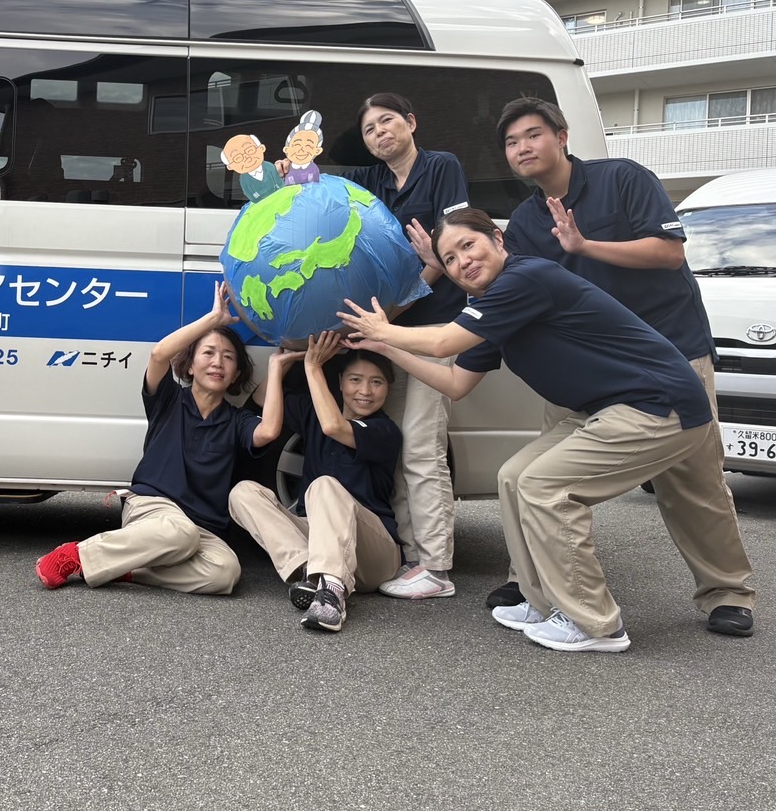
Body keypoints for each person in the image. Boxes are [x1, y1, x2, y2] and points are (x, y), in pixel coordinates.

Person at [338, 208, 756, 652]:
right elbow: (456, 383)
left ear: (498, 240)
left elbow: (444, 342)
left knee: (545, 486)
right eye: (451, 259)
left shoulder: (526, 278)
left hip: (659, 405)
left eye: (468, 245)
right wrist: (387, 347)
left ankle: (594, 623)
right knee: (514, 476)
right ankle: (540, 599)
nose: (463, 261)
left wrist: (385, 328)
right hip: (607, 408)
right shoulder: (491, 306)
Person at [478, 96, 752, 634]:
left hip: (671, 354)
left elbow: (669, 252)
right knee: (536, 473)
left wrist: (585, 245)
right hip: (584, 369)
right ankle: (532, 582)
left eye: (533, 135)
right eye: (511, 142)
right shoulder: (528, 220)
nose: (522, 148)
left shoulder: (623, 178)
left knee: (693, 484)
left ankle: (727, 592)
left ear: (562, 137)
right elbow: (514, 289)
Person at [35, 283, 282, 594]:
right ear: (189, 366)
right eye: (208, 353)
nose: (218, 362)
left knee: (225, 571)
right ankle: (75, 556)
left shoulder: (236, 421)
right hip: (152, 510)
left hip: (201, 527)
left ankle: (128, 570)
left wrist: (276, 366)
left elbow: (268, 431)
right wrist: (214, 319)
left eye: (228, 357)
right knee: (180, 533)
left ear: (235, 374)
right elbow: (159, 354)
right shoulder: (168, 400)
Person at [345, 93, 469, 600]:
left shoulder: (442, 167)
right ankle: (412, 556)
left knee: (421, 445)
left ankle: (436, 568)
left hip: (433, 328)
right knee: (397, 444)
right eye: (370, 129)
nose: (380, 133)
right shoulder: (371, 180)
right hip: (390, 330)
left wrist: (390, 316)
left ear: (411, 123)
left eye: (387, 121)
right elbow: (324, 190)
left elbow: (448, 247)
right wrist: (290, 173)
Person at [230, 331, 403, 632]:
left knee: (324, 485)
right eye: (355, 380)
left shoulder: (384, 431)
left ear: (388, 389)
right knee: (242, 493)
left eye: (376, 382)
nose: (365, 391)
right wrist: (276, 367)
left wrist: (312, 366)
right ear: (340, 383)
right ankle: (310, 574)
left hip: (373, 555)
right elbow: (261, 400)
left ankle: (332, 595)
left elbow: (334, 426)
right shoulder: (314, 413)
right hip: (321, 543)